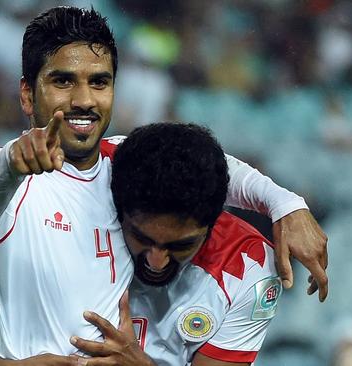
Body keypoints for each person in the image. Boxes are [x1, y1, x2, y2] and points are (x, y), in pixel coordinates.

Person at [0, 6, 327, 363]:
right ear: (26, 94)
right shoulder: (4, 179)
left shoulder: (246, 267)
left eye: (99, 82)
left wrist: (285, 203)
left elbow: (208, 161)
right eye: (62, 81)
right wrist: (11, 164)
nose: (84, 100)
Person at [68, 122, 285, 365]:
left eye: (180, 246)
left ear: (212, 226)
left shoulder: (249, 265)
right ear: (118, 207)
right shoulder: (90, 179)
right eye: (142, 238)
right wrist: (286, 203)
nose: (156, 262)